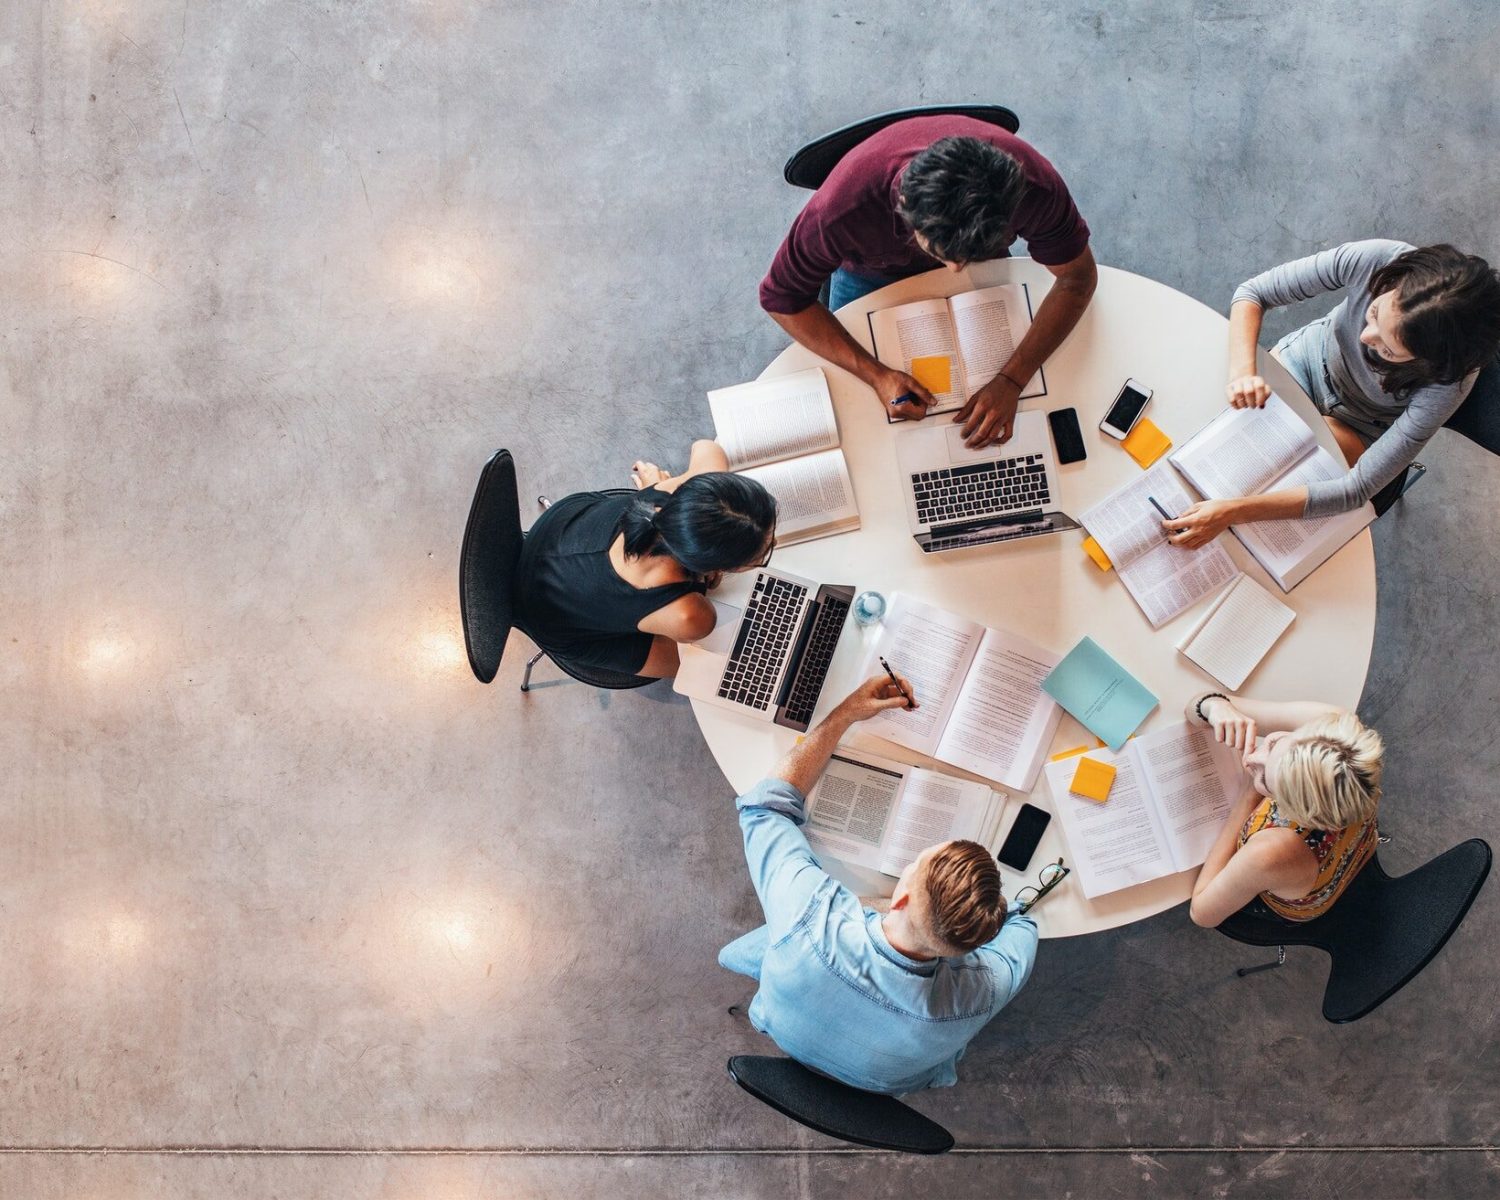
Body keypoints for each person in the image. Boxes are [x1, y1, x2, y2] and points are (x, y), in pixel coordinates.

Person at [718, 674, 1038, 1095]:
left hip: (782, 1024)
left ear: (900, 898)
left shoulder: (810, 918)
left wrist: (846, 713)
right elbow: (1024, 929)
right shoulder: (981, 992)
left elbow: (764, 808)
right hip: (884, 1084)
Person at [759, 115, 1096, 448]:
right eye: (943, 253)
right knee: (862, 414)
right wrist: (875, 375)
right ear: (904, 207)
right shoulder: (841, 212)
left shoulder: (1035, 186)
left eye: (967, 256)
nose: (955, 271)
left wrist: (1012, 379)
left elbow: (1077, 278)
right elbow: (781, 299)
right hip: (869, 271)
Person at [1168, 241, 1500, 548]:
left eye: (1389, 348)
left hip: (1362, 424)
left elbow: (1356, 490)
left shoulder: (1448, 383)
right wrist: (1243, 372)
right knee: (1216, 438)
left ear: (1430, 364)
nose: (1366, 338)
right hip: (1306, 363)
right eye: (1373, 314)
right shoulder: (1378, 259)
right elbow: (1253, 293)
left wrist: (1232, 513)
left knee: (1263, 491)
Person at [512, 440, 776, 679]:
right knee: (702, 669)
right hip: (553, 621)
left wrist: (656, 488)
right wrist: (702, 577)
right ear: (719, 566)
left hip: (556, 533)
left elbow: (707, 448)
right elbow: (695, 623)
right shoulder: (692, 615)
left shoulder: (676, 492)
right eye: (763, 555)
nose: (774, 544)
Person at [1185, 691, 1384, 928]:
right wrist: (1214, 707)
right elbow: (1195, 705)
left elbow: (1202, 913)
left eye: (1266, 781)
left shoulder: (1270, 851)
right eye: (1273, 743)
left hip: (1300, 899)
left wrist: (1248, 794)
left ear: (1294, 812)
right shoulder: (1332, 728)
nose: (1251, 759)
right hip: (1358, 844)